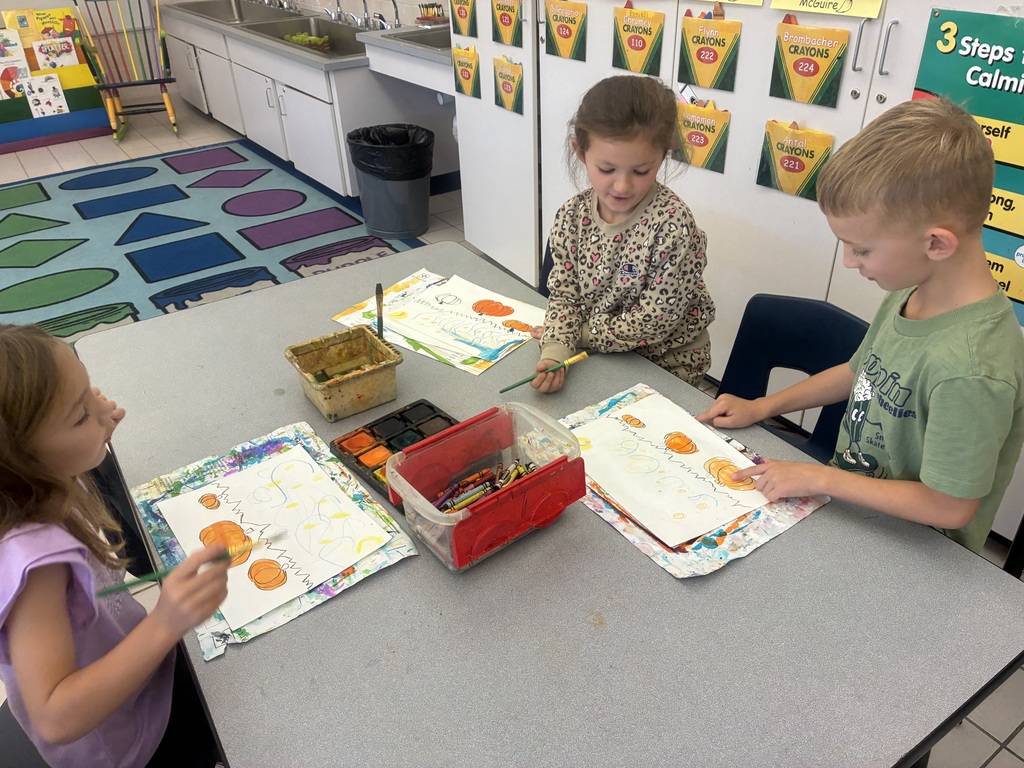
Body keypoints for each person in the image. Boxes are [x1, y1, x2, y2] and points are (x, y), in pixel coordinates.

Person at [698, 97, 1024, 553]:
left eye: (862, 250)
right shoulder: (912, 290)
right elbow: (860, 372)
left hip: (918, 555)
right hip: (854, 514)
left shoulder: (972, 368)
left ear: (935, 243)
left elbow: (950, 507)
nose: (850, 263)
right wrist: (761, 407)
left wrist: (818, 475)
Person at [0, 324, 230, 767]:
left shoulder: (44, 480)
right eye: (80, 414)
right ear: (21, 459)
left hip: (137, 674)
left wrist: (92, 431)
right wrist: (167, 621)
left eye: (91, 389)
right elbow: (56, 717)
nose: (107, 409)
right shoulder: (36, 565)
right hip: (126, 744)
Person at [531, 75, 715, 394]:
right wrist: (556, 351)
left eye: (641, 171)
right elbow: (565, 294)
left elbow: (654, 321)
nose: (622, 186)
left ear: (663, 156)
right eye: (607, 169)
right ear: (580, 151)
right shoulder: (571, 216)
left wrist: (582, 335)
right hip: (599, 351)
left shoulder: (672, 225)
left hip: (666, 365)